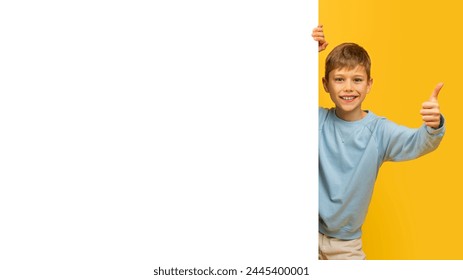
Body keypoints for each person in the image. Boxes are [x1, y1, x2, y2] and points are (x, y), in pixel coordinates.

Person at [312, 25, 446, 260]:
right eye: (339, 79)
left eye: (357, 80)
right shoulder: (318, 121)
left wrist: (433, 126)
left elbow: (418, 142)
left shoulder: (379, 131)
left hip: (346, 245)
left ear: (369, 85)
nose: (348, 88)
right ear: (325, 84)